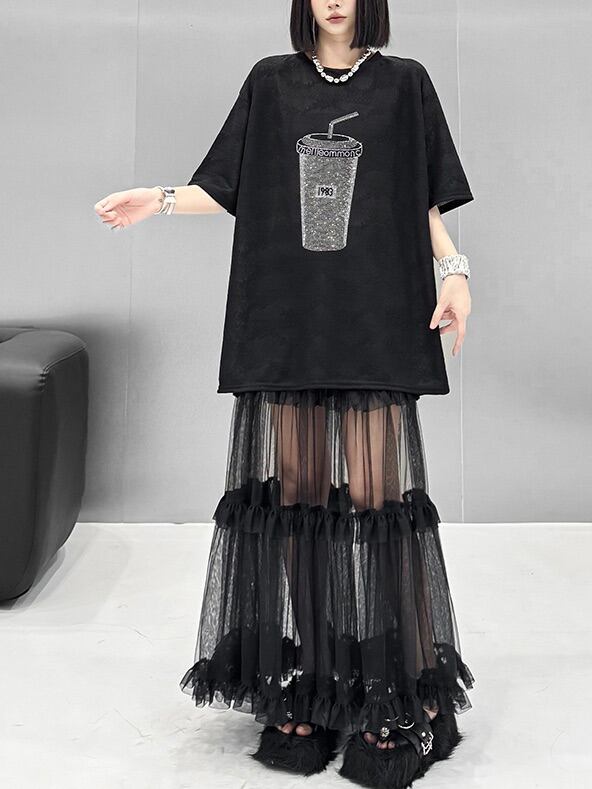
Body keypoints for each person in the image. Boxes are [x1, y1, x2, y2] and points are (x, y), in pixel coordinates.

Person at [94, 1, 476, 786]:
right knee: (296, 501)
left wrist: (456, 274)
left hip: (375, 316)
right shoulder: (271, 82)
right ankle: (311, 676)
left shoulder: (405, 83)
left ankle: (398, 686)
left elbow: (424, 200)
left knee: (377, 501)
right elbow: (225, 184)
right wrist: (157, 198)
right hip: (287, 317)